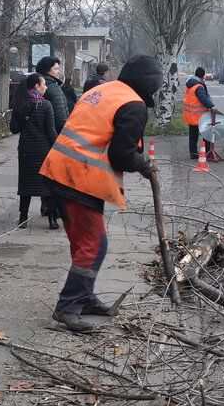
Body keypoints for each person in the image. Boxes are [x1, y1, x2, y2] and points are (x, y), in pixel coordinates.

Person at [40, 54, 162, 332]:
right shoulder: (133, 104)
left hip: (58, 168)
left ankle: (85, 297)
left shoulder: (102, 91)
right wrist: (144, 164)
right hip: (77, 177)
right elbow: (121, 155)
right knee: (94, 245)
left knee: (82, 243)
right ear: (150, 84)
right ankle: (68, 307)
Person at [10, 73, 60, 229]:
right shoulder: (46, 105)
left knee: (26, 185)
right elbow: (51, 132)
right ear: (37, 87)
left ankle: (23, 218)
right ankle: (52, 220)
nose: (46, 87)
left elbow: (14, 129)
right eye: (44, 84)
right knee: (49, 186)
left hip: (26, 151)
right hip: (44, 151)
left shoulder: (20, 105)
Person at [183, 67, 221, 161]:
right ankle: (207, 152)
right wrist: (212, 106)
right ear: (203, 76)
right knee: (207, 133)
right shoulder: (198, 86)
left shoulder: (190, 84)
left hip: (191, 114)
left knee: (193, 134)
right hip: (199, 115)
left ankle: (193, 153)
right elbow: (203, 98)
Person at [35, 56, 69, 133]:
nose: (59, 72)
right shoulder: (54, 88)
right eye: (55, 69)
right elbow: (60, 117)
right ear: (47, 70)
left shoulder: (35, 85)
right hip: (53, 134)